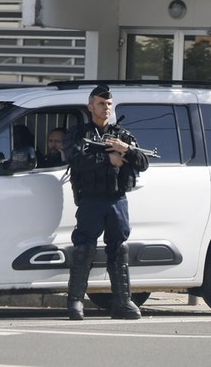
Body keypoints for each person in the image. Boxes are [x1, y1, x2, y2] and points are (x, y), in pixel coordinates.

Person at [64, 84, 149, 321]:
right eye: (101, 104)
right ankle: (75, 302)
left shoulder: (122, 135)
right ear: (91, 106)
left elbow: (143, 162)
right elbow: (75, 158)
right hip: (91, 199)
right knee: (84, 249)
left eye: (109, 104)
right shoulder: (79, 133)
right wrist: (108, 158)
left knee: (119, 249)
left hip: (116, 199)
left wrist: (127, 150)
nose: (106, 108)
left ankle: (122, 302)